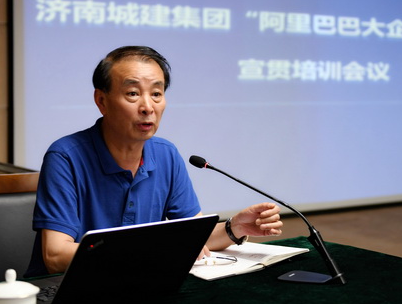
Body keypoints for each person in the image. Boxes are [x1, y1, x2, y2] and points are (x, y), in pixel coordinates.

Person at [26, 46, 283, 276]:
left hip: (136, 286)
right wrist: (149, 251)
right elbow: (55, 256)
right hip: (64, 291)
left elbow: (192, 239)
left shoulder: (165, 154)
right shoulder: (65, 157)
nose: (148, 107)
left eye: (157, 94)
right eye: (133, 93)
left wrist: (234, 228)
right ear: (101, 101)